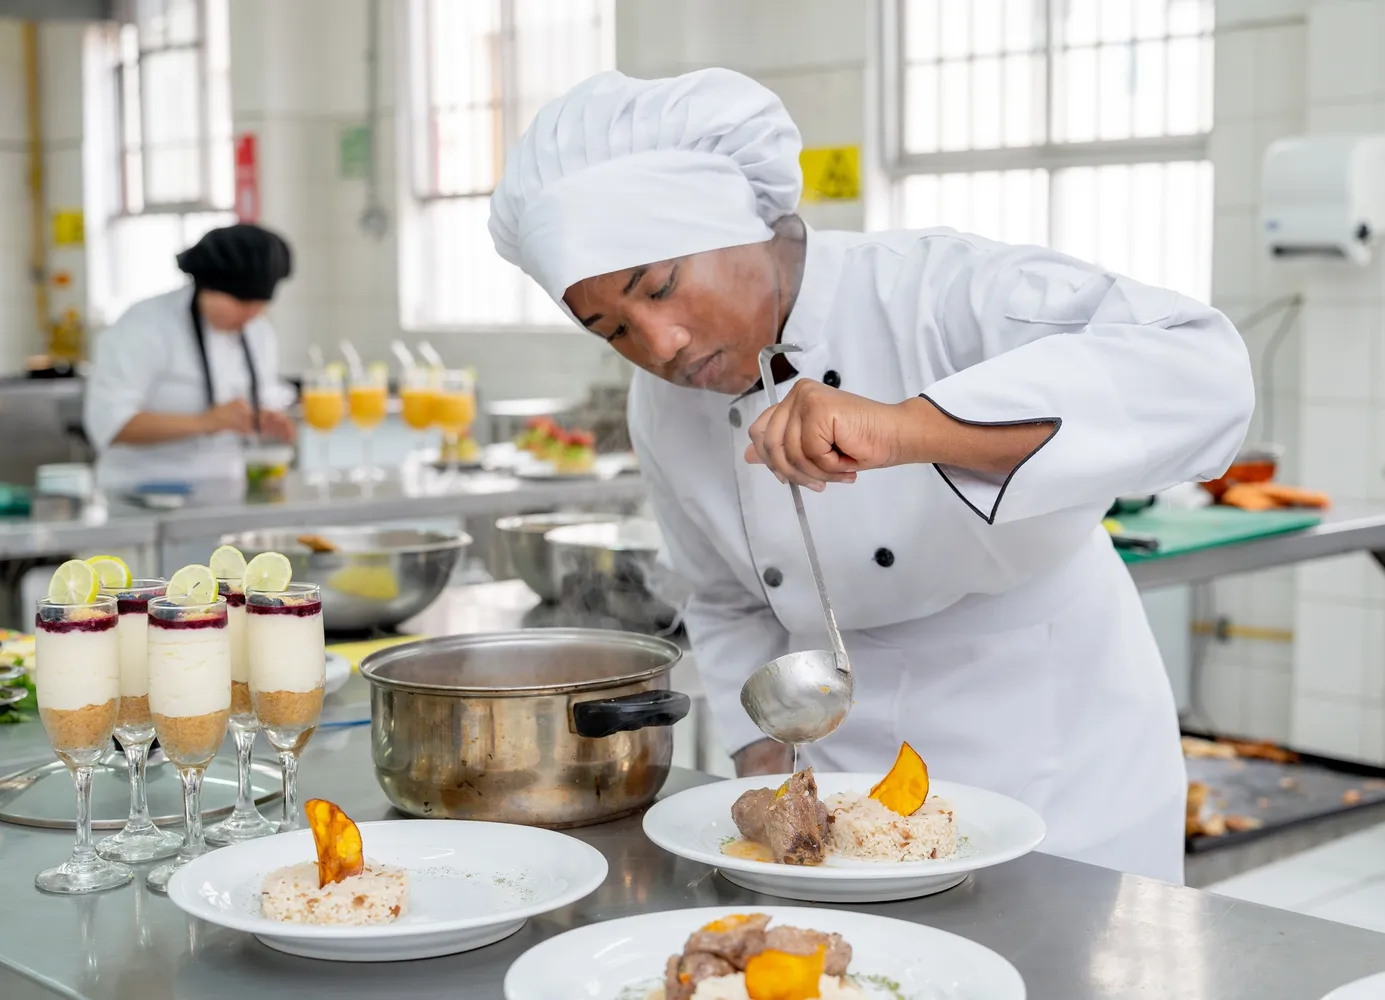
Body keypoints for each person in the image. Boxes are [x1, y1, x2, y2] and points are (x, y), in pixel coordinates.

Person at [488, 69, 1254, 884]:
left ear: (739, 223)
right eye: (611, 328)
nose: (660, 344)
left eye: (660, 286)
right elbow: (720, 597)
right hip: (838, 760)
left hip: (1054, 747)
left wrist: (905, 427)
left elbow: (1203, 369)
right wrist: (761, 760)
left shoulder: (929, 287)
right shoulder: (661, 405)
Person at [84, 223, 298, 493]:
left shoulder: (259, 333)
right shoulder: (142, 327)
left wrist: (264, 419)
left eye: (259, 305)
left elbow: (258, 399)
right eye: (242, 303)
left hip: (226, 491)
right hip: (139, 494)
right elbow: (110, 425)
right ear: (207, 287)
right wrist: (206, 422)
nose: (251, 314)